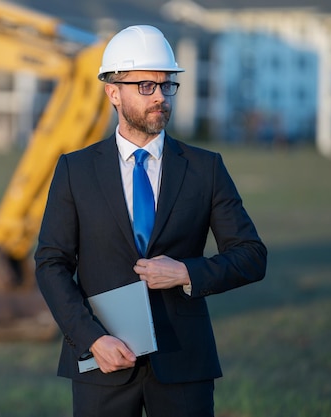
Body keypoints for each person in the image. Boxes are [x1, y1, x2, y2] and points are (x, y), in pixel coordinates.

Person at [34, 24, 267, 417]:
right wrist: (92, 340)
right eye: (146, 86)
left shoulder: (205, 168)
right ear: (113, 92)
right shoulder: (74, 170)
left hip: (184, 364)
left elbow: (251, 256)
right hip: (102, 365)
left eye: (166, 85)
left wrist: (185, 272)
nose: (160, 96)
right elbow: (51, 264)